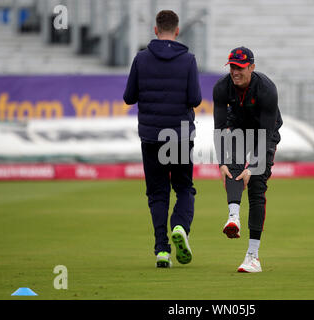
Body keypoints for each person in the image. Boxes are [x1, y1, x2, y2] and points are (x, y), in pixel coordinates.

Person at [123, 10, 202, 268]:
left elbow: (129, 97)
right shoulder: (188, 60)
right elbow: (195, 99)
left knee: (158, 194)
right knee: (184, 188)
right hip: (178, 136)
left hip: (151, 136)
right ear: (177, 31)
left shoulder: (141, 59)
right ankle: (179, 226)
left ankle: (162, 250)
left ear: (155, 30)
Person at [213, 47, 283, 273]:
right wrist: (221, 162)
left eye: (240, 68)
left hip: (265, 133)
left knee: (256, 185)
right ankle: (233, 218)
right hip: (237, 129)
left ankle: (253, 257)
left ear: (252, 67)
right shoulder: (222, 87)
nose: (235, 72)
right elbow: (220, 127)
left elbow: (265, 132)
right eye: (232, 66)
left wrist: (253, 167)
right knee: (230, 167)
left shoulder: (267, 89)